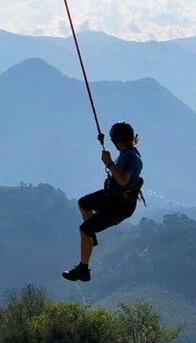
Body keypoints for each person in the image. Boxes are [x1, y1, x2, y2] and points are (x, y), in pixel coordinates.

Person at [62, 121, 144, 282]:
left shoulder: (129, 157)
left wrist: (109, 163)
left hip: (119, 206)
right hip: (114, 197)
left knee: (84, 229)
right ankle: (91, 238)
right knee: (84, 203)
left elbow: (122, 180)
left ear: (118, 143)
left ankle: (83, 269)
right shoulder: (130, 151)